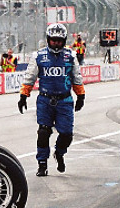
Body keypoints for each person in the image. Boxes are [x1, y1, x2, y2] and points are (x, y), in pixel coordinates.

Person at [18, 23, 85, 177]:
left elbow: (76, 77)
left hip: (65, 100)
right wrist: (23, 96)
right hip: (45, 100)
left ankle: (59, 153)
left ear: (64, 40)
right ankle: (42, 164)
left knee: (67, 134)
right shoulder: (38, 56)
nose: (56, 43)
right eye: (53, 40)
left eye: (59, 40)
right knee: (43, 132)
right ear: (48, 39)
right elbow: (29, 77)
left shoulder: (71, 56)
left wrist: (81, 95)